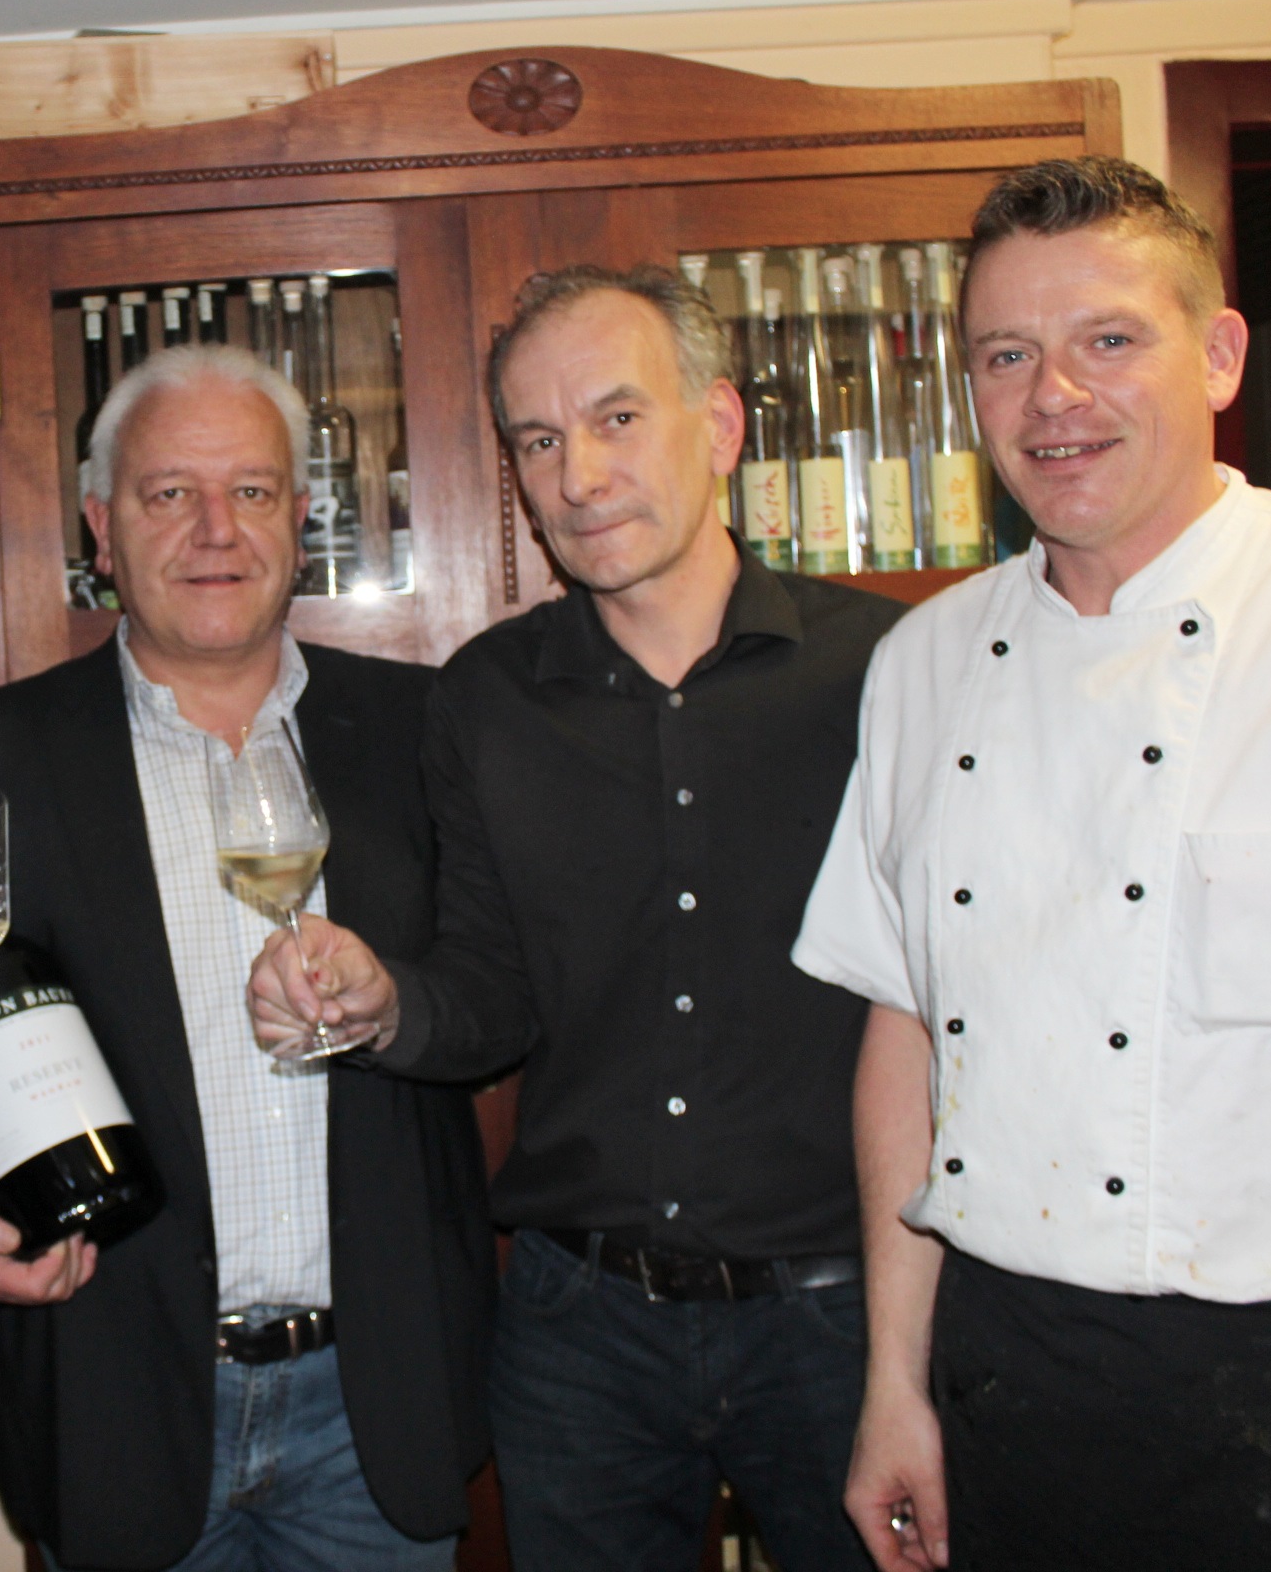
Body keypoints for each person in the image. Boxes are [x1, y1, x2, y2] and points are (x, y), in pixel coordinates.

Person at [793, 156, 1271, 1572]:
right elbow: (906, 1029)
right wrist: (895, 1383)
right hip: (1012, 1376)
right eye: (1006, 355)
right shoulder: (923, 661)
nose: (1054, 396)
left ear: (1218, 355)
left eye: (1108, 339)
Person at [250, 266, 898, 1569]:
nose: (580, 477)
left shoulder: (885, 670)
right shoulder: (486, 699)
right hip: (580, 1331)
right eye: (539, 441)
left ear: (719, 426)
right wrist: (385, 1003)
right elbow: (489, 994)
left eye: (617, 420)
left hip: (844, 1317)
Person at [0, 344, 494, 1571]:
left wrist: (396, 1005)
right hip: (116, 1395)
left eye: (251, 490)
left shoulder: (422, 730)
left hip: (376, 1408)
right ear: (102, 528)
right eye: (169, 493)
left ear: (298, 519)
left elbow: (499, 998)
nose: (216, 529)